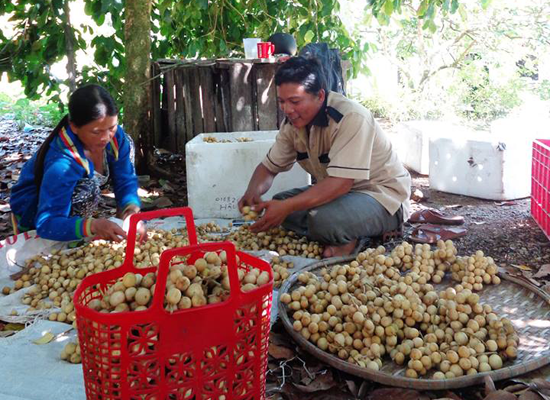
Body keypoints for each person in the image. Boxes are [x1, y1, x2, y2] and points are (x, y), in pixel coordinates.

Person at [238, 56, 411, 258]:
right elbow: (268, 168)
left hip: (380, 196)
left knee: (321, 219)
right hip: (340, 197)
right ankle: (342, 230)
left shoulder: (351, 117)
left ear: (320, 96)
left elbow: (341, 184)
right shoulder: (293, 124)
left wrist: (286, 208)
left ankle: (356, 236)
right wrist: (252, 193)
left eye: (295, 101)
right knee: (280, 202)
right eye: (282, 102)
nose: (287, 109)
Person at [10, 84, 142, 242]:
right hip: (34, 213)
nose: (106, 137)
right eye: (96, 132)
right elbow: (46, 222)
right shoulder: (62, 163)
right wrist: (93, 226)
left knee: (126, 141)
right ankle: (65, 238)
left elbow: (125, 180)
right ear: (74, 127)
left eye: (112, 127)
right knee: (87, 189)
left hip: (61, 204)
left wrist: (131, 210)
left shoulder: (116, 138)